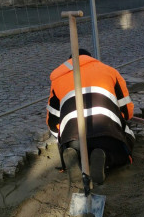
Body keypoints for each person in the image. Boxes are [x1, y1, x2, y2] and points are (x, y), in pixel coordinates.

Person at [47, 49, 135, 184]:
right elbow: (127, 113)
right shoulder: (110, 71)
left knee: (79, 149)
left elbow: (52, 122)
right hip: (107, 134)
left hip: (74, 138)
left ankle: (76, 158)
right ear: (91, 59)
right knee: (126, 142)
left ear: (69, 62)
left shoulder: (58, 79)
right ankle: (106, 158)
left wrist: (63, 138)